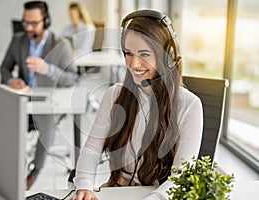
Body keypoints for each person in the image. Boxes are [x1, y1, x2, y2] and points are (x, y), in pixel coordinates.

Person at [71, 10, 203, 200]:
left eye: (144, 54)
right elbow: (92, 149)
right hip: (116, 191)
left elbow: (181, 177)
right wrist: (84, 185)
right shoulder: (115, 94)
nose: (133, 64)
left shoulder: (189, 106)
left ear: (167, 56)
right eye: (128, 53)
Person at [0, 1, 78, 190]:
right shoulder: (18, 40)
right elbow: (4, 67)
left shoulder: (61, 45)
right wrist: (11, 80)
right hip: (23, 99)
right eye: (25, 22)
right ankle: (9, 170)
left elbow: (72, 78)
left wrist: (49, 69)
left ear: (46, 21)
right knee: (1, 122)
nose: (28, 27)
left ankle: (34, 172)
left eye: (33, 23)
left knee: (47, 124)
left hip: (48, 103)